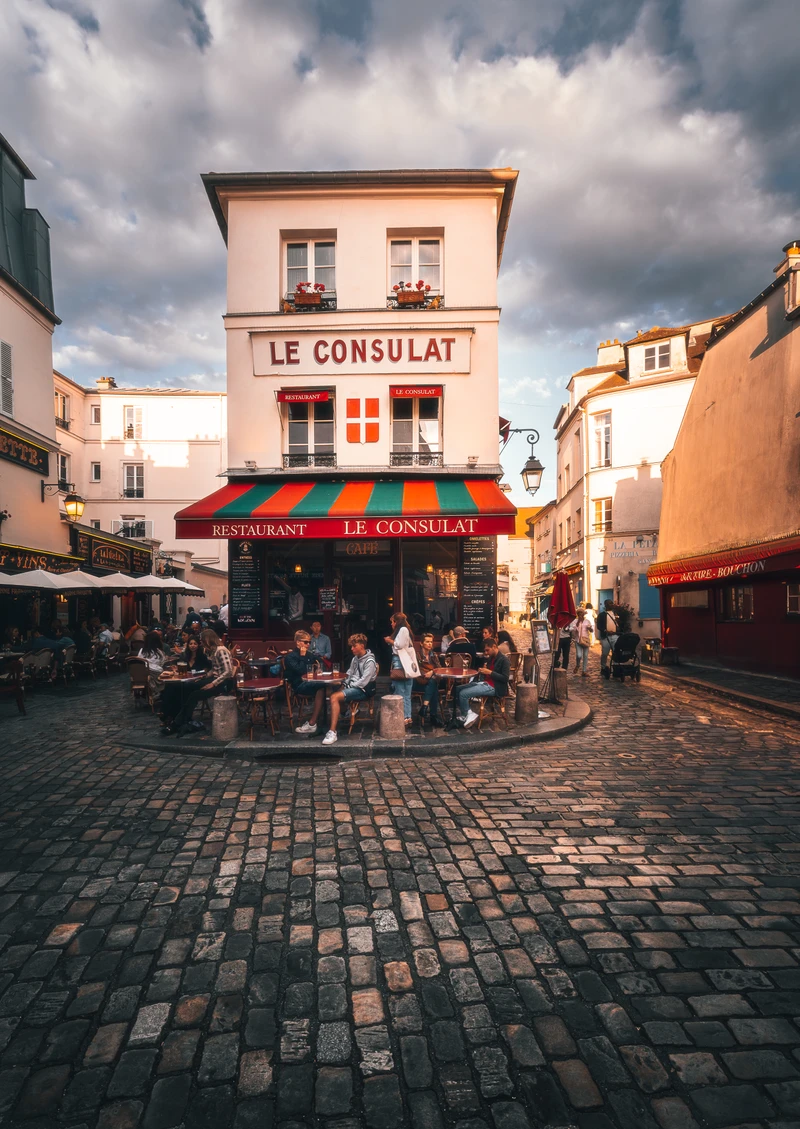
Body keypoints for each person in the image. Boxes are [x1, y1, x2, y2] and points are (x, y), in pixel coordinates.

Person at [165, 630, 236, 736]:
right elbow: (215, 669)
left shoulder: (221, 650)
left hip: (223, 683)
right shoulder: (214, 651)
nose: (201, 643)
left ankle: (178, 722)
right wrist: (204, 677)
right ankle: (182, 718)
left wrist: (213, 683)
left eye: (202, 641)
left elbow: (228, 671)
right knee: (187, 687)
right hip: (216, 680)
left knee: (194, 694)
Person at [322, 634, 378, 746]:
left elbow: (363, 682)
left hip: (364, 690)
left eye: (354, 646)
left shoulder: (370, 662)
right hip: (353, 686)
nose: (351, 649)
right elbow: (349, 673)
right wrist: (342, 681)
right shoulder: (355, 659)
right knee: (327, 690)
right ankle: (346, 712)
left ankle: (332, 732)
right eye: (351, 646)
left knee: (334, 697)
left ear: (362, 646)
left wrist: (347, 686)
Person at [453, 637, 510, 729]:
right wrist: (482, 672)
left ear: (494, 647)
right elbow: (484, 676)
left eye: (487, 650)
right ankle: (465, 714)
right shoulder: (491, 658)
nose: (486, 653)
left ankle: (468, 714)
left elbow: (505, 678)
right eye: (485, 651)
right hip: (484, 683)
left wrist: (490, 672)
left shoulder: (504, 660)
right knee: (458, 689)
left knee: (463, 694)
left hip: (495, 687)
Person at [285, 630, 328, 737]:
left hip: (312, 683)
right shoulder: (290, 657)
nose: (308, 644)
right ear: (298, 642)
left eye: (309, 642)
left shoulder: (310, 654)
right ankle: (314, 722)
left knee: (328, 686)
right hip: (299, 686)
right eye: (305, 642)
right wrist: (303, 656)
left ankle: (320, 721)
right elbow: (301, 671)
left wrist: (318, 668)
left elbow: (322, 662)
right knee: (323, 686)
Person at [385, 612, 418, 726]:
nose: (391, 624)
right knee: (407, 692)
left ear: (396, 622)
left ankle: (403, 716)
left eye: (392, 622)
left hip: (400, 662)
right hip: (406, 662)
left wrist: (390, 641)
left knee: (400, 691)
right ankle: (407, 717)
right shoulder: (405, 630)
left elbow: (399, 645)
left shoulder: (403, 629)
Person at [415, 632, 443, 726]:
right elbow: (415, 670)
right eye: (427, 642)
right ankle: (433, 717)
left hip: (430, 683)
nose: (430, 644)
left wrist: (432, 672)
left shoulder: (433, 655)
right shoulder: (417, 655)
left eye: (431, 642)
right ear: (421, 643)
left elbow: (439, 669)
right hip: (419, 682)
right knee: (433, 684)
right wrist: (427, 674)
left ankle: (424, 707)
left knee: (433, 684)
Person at [569, 607, 593, 676]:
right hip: (578, 640)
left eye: (581, 613)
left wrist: (590, 628)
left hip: (585, 640)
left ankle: (584, 671)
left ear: (583, 614)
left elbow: (591, 630)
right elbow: (572, 629)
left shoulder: (587, 621)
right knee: (579, 655)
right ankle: (578, 664)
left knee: (585, 655)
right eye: (579, 613)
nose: (580, 615)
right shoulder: (575, 621)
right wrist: (578, 621)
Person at [597, 600, 619, 672]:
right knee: (605, 653)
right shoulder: (601, 615)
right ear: (605, 605)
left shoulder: (615, 614)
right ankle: (603, 667)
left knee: (615, 652)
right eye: (610, 603)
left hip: (615, 636)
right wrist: (605, 631)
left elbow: (619, 623)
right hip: (606, 637)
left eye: (612, 603)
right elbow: (599, 626)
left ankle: (615, 667)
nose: (612, 604)